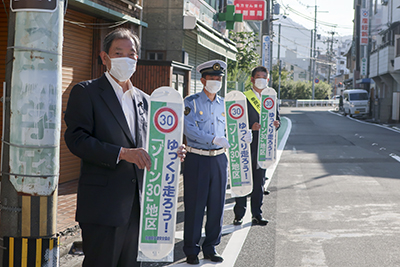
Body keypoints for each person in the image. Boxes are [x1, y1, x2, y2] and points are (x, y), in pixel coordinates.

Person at [64, 28, 185, 267]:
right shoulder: (86, 92)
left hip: (141, 207)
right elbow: (76, 140)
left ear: (137, 59)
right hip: (103, 207)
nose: (125, 59)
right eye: (118, 53)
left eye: (131, 54)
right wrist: (122, 153)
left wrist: (172, 152)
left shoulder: (145, 100)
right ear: (104, 57)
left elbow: (152, 145)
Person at [182, 60, 252, 264]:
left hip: (219, 159)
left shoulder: (225, 104)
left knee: (217, 205)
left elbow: (235, 127)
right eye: (212, 78)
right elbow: (189, 129)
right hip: (197, 158)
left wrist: (244, 135)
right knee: (195, 206)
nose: (215, 81)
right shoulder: (191, 102)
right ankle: (191, 250)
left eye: (219, 78)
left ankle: (210, 247)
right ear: (203, 80)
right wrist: (212, 139)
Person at [233, 66, 280, 226]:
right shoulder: (243, 98)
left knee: (259, 183)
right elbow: (236, 120)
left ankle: (257, 214)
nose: (261, 80)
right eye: (258, 77)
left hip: (264, 146)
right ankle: (239, 214)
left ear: (267, 79)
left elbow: (277, 119)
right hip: (246, 146)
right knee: (243, 179)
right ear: (252, 79)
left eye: (264, 77)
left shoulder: (271, 98)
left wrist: (276, 123)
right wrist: (249, 127)